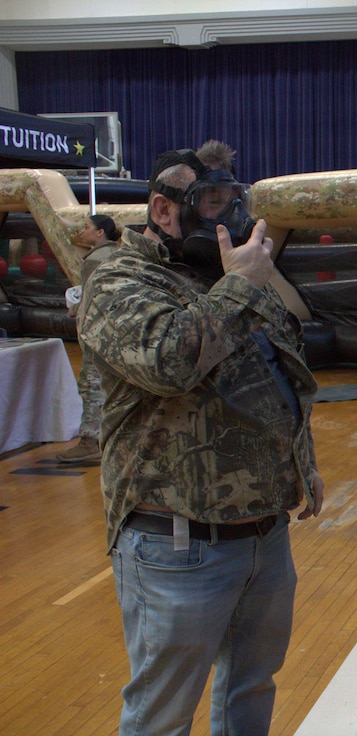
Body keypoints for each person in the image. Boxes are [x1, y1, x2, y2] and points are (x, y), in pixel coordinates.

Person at [78, 140, 324, 736]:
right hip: (177, 548)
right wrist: (240, 285)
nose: (230, 217)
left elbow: (281, 365)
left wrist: (303, 466)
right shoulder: (115, 278)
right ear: (165, 211)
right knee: (162, 714)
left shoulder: (225, 273)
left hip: (264, 535)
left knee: (250, 689)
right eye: (212, 202)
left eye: (232, 199)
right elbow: (171, 359)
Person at [56, 214, 121, 463]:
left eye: (86, 228)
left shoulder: (95, 260)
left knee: (91, 386)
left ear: (100, 232)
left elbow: (94, 299)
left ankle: (89, 440)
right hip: (116, 333)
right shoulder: (119, 255)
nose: (82, 232)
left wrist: (77, 309)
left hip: (98, 334)